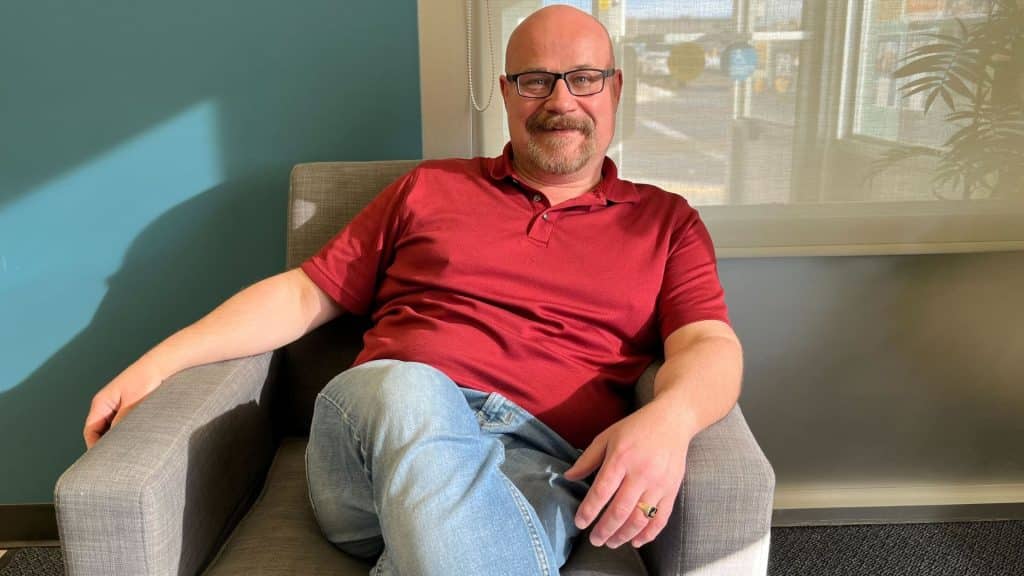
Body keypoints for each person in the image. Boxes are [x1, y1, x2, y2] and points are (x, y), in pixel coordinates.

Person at [84, 5, 742, 575]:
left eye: (584, 78)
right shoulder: (431, 188)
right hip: (376, 439)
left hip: (540, 469)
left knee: (463, 546)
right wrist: (159, 363)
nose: (561, 101)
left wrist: (672, 419)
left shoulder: (665, 222)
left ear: (615, 89)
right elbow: (302, 295)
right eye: (536, 80)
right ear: (507, 92)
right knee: (412, 388)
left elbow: (708, 343)